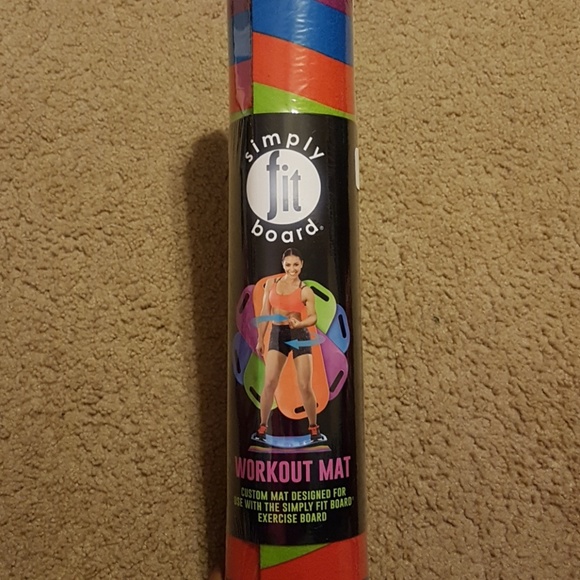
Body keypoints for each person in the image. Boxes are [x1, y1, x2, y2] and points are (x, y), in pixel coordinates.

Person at [255, 248, 322, 441]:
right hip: (278, 333)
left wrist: (300, 324)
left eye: (296, 265)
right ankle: (262, 427)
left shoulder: (305, 290)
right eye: (288, 264)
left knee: (304, 385)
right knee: (269, 383)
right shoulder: (271, 285)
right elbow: (264, 312)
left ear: (301, 265)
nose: (292, 269)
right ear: (283, 265)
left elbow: (313, 317)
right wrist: (260, 339)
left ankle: (313, 427)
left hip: (299, 333)